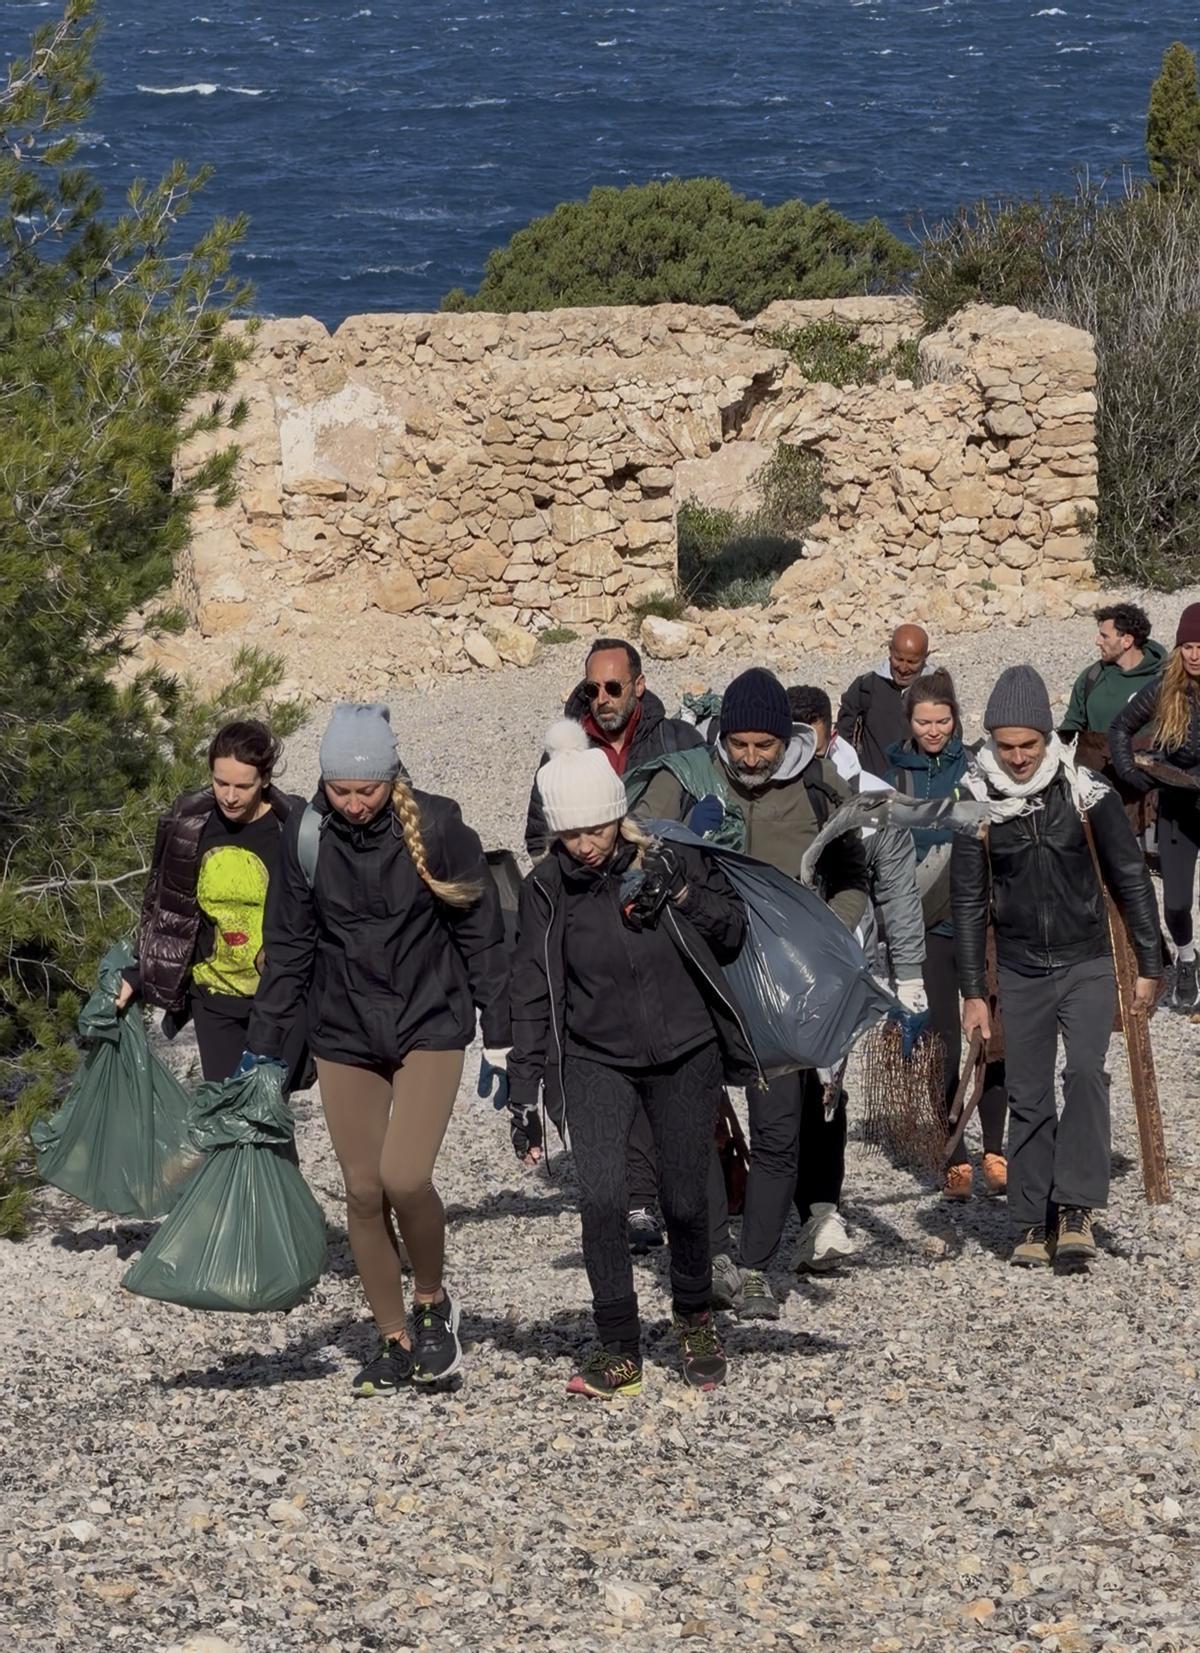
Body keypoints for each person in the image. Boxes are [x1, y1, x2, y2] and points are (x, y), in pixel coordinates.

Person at [246, 704, 509, 1395]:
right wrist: (263, 1053)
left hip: (430, 1022)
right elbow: (290, 953)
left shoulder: (442, 826)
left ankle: (431, 1305)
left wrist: (503, 1035)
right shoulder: (305, 839)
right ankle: (393, 1338)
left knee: (403, 1175)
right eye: (341, 791)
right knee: (362, 1190)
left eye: (367, 790)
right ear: (324, 783)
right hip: (345, 1031)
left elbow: (481, 934)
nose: (355, 804)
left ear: (390, 778)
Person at [508, 719, 753, 1398]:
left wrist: (681, 891)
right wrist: (522, 1092)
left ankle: (695, 1314)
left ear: (619, 814)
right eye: (570, 835)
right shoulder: (547, 889)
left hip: (686, 1050)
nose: (585, 846)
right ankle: (618, 1345)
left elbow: (732, 931)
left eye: (596, 829)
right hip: (594, 1056)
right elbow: (530, 989)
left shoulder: (671, 854)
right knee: (602, 1197)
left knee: (683, 1196)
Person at [636, 667, 869, 1317]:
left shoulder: (820, 786)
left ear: (784, 739)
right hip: (700, 975)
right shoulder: (685, 780)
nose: (750, 758)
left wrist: (825, 935)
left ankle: (758, 1265)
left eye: (763, 746)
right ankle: (713, 1255)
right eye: (738, 744)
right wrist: (679, 843)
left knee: (778, 1131)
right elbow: (632, 845)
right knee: (696, 1123)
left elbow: (854, 876)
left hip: (783, 987)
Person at [951, 666, 1163, 1270]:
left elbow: (1130, 880)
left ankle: (1075, 1208)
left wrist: (1149, 962)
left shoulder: (1085, 791)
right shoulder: (973, 803)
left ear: (1048, 738)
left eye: (1030, 745)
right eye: (1006, 746)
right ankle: (1029, 1218)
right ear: (991, 741)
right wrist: (972, 991)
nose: (1018, 758)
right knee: (1028, 1093)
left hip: (1087, 960)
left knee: (1089, 1077)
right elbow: (969, 901)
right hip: (1020, 967)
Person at [525, 637, 706, 1254]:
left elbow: (712, 816)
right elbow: (537, 830)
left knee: (671, 1057)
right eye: (591, 689)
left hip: (663, 910)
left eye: (612, 687)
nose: (600, 699)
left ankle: (691, 1211)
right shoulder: (562, 747)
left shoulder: (678, 740)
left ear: (639, 684)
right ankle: (634, 1200)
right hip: (587, 914)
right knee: (613, 1047)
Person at [787, 682, 925, 1264]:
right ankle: (784, 1205)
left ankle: (822, 1210)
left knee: (827, 1086)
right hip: (776, 963)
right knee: (782, 1086)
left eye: (807, 737)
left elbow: (894, 884)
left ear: (829, 731)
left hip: (843, 959)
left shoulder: (871, 797)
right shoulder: (766, 788)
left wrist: (909, 971)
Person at [119, 721, 307, 1083]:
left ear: (264, 780)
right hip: (213, 997)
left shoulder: (294, 830)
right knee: (227, 1122)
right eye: (221, 783)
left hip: (279, 999)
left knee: (265, 1115)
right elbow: (167, 910)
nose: (230, 796)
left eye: (242, 786)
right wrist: (137, 974)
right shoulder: (189, 826)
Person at [885, 670, 1009, 1199]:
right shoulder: (893, 773)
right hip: (927, 923)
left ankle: (997, 1150)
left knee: (993, 1040)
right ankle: (954, 1149)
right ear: (908, 721)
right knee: (941, 1040)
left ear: (957, 718)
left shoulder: (979, 766)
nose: (934, 730)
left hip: (981, 923)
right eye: (923, 721)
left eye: (943, 720)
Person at [1110, 603, 1200, 1011]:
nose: (1194, 655)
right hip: (1178, 804)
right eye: (1187, 646)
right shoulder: (1166, 686)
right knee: (1176, 903)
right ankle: (1186, 959)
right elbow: (1120, 727)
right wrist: (1132, 772)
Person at [1060, 602, 1165, 838]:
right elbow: (1071, 728)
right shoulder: (1092, 677)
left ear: (1126, 641)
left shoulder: (1162, 679)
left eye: (1104, 636)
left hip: (1145, 787)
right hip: (1097, 784)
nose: (1098, 641)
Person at [836, 624, 932, 778]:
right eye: (898, 659)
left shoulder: (937, 690)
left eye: (912, 662)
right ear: (890, 651)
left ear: (925, 657)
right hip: (872, 785)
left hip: (920, 789)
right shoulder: (866, 686)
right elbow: (843, 734)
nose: (903, 668)